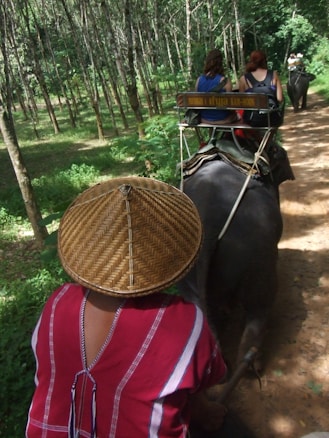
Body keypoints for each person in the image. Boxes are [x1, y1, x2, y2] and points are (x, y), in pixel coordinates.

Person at [25, 176, 228, 438]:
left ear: (89, 249)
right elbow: (199, 391)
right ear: (168, 252)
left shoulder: (57, 302)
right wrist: (206, 413)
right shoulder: (185, 321)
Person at [196, 48, 238, 124]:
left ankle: (213, 135)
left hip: (204, 118)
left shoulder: (199, 80)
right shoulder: (225, 81)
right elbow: (230, 106)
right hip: (222, 119)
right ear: (220, 63)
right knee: (236, 115)